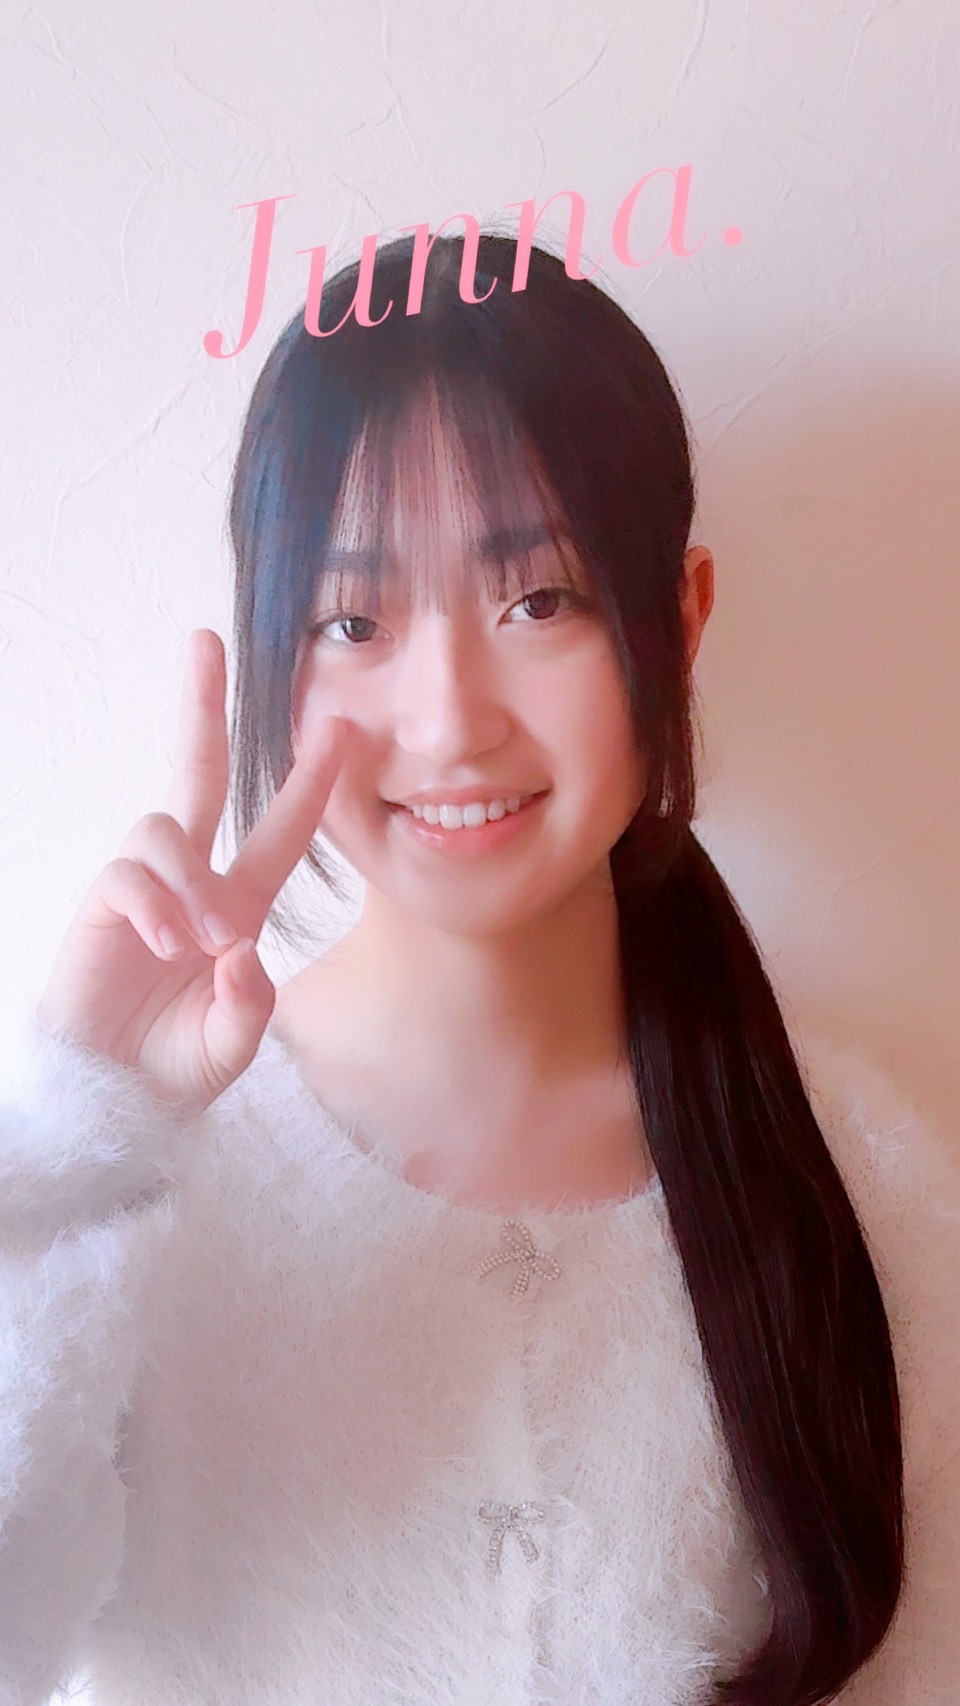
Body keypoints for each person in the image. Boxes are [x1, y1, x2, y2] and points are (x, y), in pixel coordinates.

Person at [1, 234, 957, 1706]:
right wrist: (78, 1134)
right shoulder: (139, 1183)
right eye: (353, 621)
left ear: (677, 620)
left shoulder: (861, 1186)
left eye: (540, 599)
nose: (449, 722)